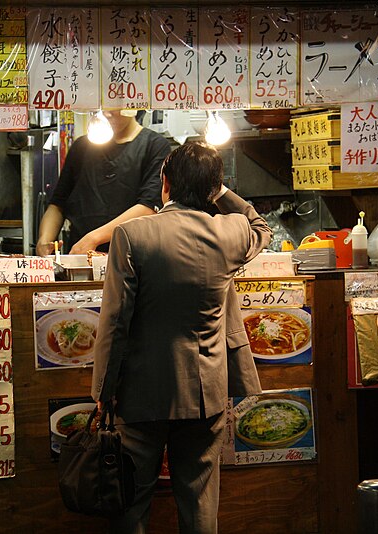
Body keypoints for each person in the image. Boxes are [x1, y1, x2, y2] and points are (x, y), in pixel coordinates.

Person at [91, 141, 272, 533]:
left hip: (142, 392)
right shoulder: (231, 232)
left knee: (132, 501)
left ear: (165, 183)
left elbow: (115, 322)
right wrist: (218, 189)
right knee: (200, 500)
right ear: (213, 190)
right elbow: (261, 225)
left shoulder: (131, 235)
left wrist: (104, 390)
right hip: (205, 392)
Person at [35, 110, 170, 256]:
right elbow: (58, 204)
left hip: (132, 259)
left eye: (114, 107)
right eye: (102, 106)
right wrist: (44, 242)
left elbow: (148, 208)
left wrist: (93, 239)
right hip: (81, 259)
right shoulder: (81, 147)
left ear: (132, 105)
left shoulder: (154, 146)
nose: (107, 113)